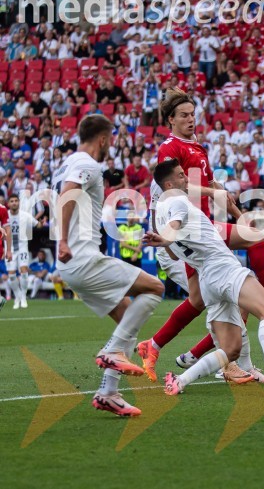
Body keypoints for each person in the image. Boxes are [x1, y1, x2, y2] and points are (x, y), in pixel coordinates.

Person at [136, 88, 264, 383]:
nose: (191, 120)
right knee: (254, 238)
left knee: (199, 299)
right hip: (193, 228)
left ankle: (154, 347)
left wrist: (225, 198)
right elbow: (172, 187)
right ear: (171, 119)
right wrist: (167, 235)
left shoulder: (195, 145)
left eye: (193, 114)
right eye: (184, 115)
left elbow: (203, 179)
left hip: (199, 226)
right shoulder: (170, 148)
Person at [146, 159, 264, 392]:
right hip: (223, 268)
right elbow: (176, 225)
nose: (186, 179)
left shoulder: (159, 214)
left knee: (230, 350)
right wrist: (169, 237)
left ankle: (179, 381)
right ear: (169, 184)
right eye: (181, 175)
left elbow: (171, 250)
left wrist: (166, 239)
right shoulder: (178, 199)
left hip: (207, 281)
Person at [53, 114, 164, 417]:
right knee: (155, 287)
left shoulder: (65, 163)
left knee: (128, 315)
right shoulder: (87, 164)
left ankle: (108, 393)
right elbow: (68, 196)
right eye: (111, 138)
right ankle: (112, 353)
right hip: (82, 257)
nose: (112, 143)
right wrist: (63, 240)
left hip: (71, 263)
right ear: (102, 138)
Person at [5, 194, 34, 309]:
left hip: (22, 247)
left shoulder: (25, 215)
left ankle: (23, 297)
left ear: (19, 203)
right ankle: (17, 296)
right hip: (10, 249)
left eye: (16, 201)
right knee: (11, 275)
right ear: (8, 204)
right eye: (11, 201)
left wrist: (42, 222)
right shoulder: (4, 215)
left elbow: (38, 224)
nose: (14, 203)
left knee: (24, 272)